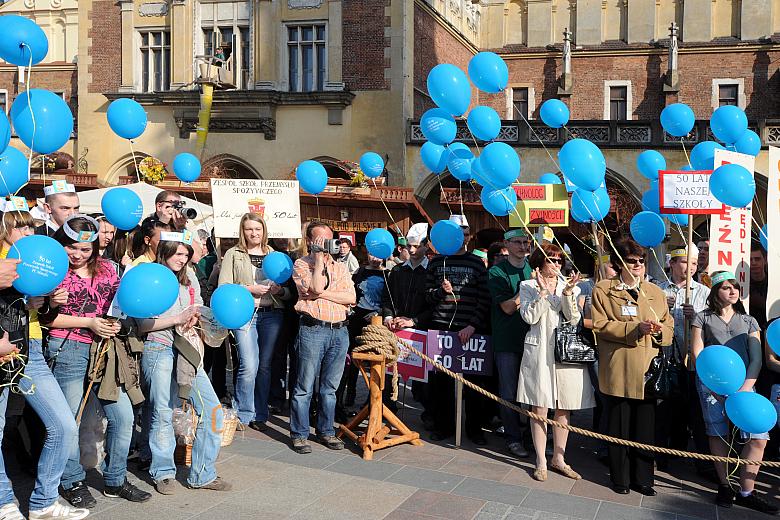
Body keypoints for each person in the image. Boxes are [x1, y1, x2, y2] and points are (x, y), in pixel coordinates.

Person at [39, 215, 150, 506]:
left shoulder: (109, 269)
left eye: (84, 249)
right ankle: (72, 480)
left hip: (106, 352)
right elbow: (46, 320)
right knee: (70, 422)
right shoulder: (52, 271)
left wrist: (115, 324)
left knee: (123, 417)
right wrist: (85, 320)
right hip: (69, 350)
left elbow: (119, 308)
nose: (77, 254)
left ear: (95, 248)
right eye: (71, 247)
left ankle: (115, 480)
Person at [0, 208, 86, 520]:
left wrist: (49, 303)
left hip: (31, 348)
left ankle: (43, 502)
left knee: (63, 425)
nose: (26, 234)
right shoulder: (2, 264)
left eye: (30, 228)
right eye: (18, 228)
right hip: (2, 348)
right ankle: (4, 502)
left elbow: (44, 319)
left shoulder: (36, 260)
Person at [138, 232, 230, 494]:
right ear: (164, 251)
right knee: (162, 412)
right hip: (159, 346)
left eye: (186, 254)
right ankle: (164, 472)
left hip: (189, 349)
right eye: (178, 253)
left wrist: (196, 317)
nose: (183, 258)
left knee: (212, 410)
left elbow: (197, 307)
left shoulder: (190, 279)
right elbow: (144, 324)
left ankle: (202, 473)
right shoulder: (150, 277)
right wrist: (178, 318)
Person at [591, 237, 673, 496]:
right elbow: (600, 325)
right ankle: (620, 478)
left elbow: (669, 325)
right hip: (619, 367)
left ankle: (644, 479)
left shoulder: (655, 291)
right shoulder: (604, 289)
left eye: (641, 260)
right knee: (619, 426)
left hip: (648, 370)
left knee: (645, 429)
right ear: (619, 263)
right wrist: (634, 329)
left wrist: (660, 333)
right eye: (631, 260)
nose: (637, 264)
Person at [691, 271, 777, 514]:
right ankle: (725, 486)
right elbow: (698, 352)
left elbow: (757, 358)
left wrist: (745, 387)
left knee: (759, 436)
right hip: (711, 384)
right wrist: (714, 386)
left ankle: (747, 490)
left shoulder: (749, 321)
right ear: (715, 291)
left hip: (746, 384)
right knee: (717, 432)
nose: (733, 291)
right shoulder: (702, 318)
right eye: (726, 287)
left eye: (736, 286)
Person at [517, 243, 591, 481]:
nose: (556, 264)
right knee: (539, 406)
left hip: (564, 352)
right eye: (551, 259)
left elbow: (573, 318)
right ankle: (540, 460)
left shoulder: (569, 287)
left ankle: (559, 458)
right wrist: (541, 292)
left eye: (560, 260)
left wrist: (568, 293)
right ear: (540, 261)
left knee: (564, 405)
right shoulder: (527, 285)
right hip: (539, 351)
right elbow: (529, 316)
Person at [218, 214, 288, 431]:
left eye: (257, 229)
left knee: (265, 367)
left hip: (272, 313)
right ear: (243, 231)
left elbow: (288, 294)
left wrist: (280, 290)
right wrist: (250, 289)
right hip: (244, 314)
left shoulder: (275, 255)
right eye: (249, 229)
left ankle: (260, 413)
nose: (254, 233)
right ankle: (244, 412)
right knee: (249, 365)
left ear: (264, 230)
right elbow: (224, 286)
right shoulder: (234, 253)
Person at [290, 221, 356, 454]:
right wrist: (318, 260)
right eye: (322, 239)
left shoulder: (341, 267)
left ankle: (326, 431)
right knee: (305, 385)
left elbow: (351, 297)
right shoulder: (301, 264)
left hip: (340, 330)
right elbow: (314, 285)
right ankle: (299, 434)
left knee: (330, 387)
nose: (328, 243)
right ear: (310, 241)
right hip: (313, 329)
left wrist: (322, 295)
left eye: (330, 238)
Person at [425, 214, 491, 445]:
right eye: (456, 234)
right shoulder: (435, 263)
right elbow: (427, 296)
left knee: (474, 386)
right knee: (441, 384)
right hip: (441, 329)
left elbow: (485, 298)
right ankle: (444, 426)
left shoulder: (476, 263)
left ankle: (475, 429)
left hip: (470, 332)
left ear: (469, 237)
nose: (460, 238)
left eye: (464, 234)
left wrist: (473, 325)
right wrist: (441, 292)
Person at [654, 246, 710, 466]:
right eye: (686, 262)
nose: (691, 268)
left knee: (688, 407)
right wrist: (660, 309)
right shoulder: (658, 289)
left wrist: (695, 316)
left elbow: (709, 324)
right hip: (665, 355)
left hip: (691, 356)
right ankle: (659, 453)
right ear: (673, 264)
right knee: (663, 406)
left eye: (695, 264)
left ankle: (681, 451)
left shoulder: (703, 292)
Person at [488, 229, 533, 459]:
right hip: (507, 341)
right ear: (506, 244)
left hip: (533, 340)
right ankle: (513, 438)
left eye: (527, 242)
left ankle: (532, 437)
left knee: (534, 393)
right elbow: (506, 307)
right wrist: (526, 288)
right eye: (518, 242)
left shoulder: (532, 268)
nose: (524, 246)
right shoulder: (497, 271)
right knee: (508, 393)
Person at [338, 253, 386, 415]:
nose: (374, 258)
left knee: (373, 362)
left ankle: (371, 400)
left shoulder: (389, 274)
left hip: (376, 322)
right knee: (351, 359)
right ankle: (348, 394)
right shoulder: (359, 272)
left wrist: (378, 312)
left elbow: (389, 300)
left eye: (377, 254)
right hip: (356, 319)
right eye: (371, 253)